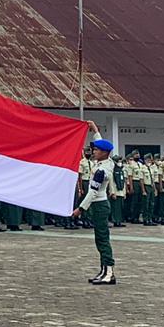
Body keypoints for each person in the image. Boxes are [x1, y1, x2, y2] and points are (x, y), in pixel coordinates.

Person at [71, 122, 116, 285]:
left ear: (104, 153)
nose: (94, 152)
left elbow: (93, 192)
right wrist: (95, 130)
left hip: (99, 205)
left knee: (103, 239)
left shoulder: (101, 170)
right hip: (99, 205)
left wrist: (80, 209)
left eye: (96, 150)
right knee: (99, 238)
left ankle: (109, 272)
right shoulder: (105, 162)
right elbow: (101, 142)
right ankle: (104, 270)